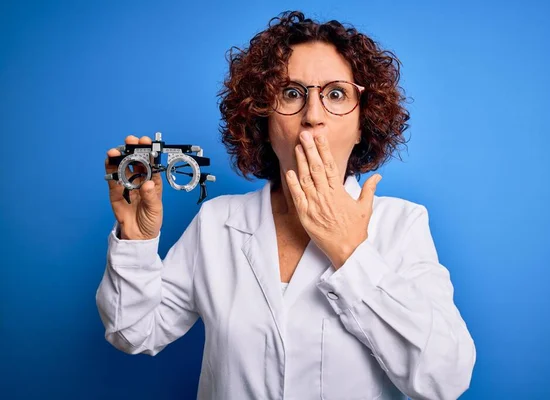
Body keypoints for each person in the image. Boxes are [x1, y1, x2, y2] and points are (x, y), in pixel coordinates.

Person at [96, 10, 476, 400]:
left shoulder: (402, 225)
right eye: (291, 93)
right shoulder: (217, 222)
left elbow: (443, 379)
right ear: (263, 117)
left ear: (363, 123)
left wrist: (350, 252)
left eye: (336, 94)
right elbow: (132, 331)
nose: (312, 116)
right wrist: (136, 242)